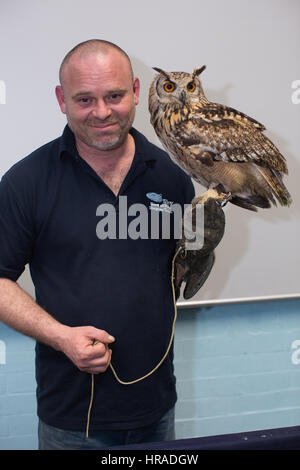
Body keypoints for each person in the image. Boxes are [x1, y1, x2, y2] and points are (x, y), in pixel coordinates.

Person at [0, 39, 221, 450]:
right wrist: (60, 336)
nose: (101, 112)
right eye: (84, 99)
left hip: (156, 406)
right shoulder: (26, 183)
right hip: (71, 417)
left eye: (114, 96)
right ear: (60, 99)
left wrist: (201, 251)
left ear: (136, 91)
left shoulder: (172, 177)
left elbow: (183, 267)